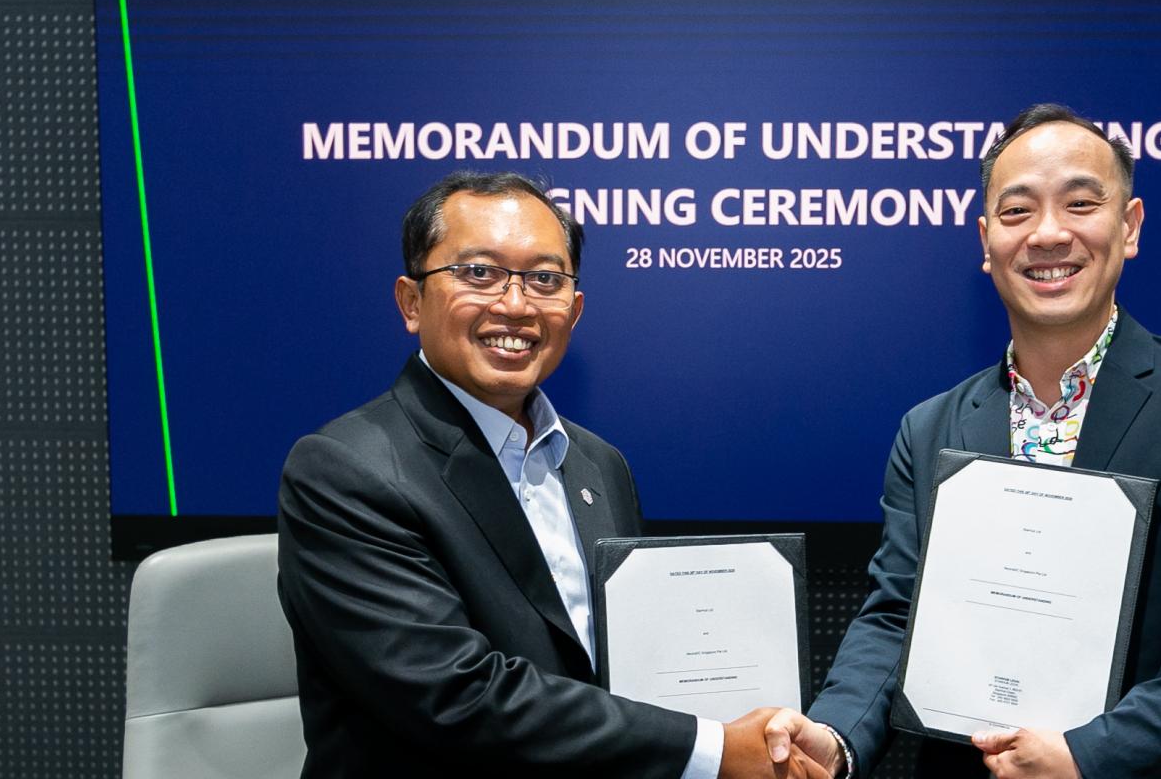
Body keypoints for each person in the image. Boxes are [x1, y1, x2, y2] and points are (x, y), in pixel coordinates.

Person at [764, 104, 1161, 778]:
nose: (1049, 234)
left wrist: (1091, 756)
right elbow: (897, 621)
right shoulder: (929, 428)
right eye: (1017, 211)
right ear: (986, 240)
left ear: (1130, 225)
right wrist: (837, 736)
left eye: (1081, 203)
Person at [278, 171, 828, 779]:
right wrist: (715, 750)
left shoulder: (598, 462)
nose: (515, 305)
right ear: (412, 302)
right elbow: (456, 698)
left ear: (575, 308)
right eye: (479, 273)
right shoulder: (346, 469)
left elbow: (630, 668)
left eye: (545, 279)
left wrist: (748, 728)